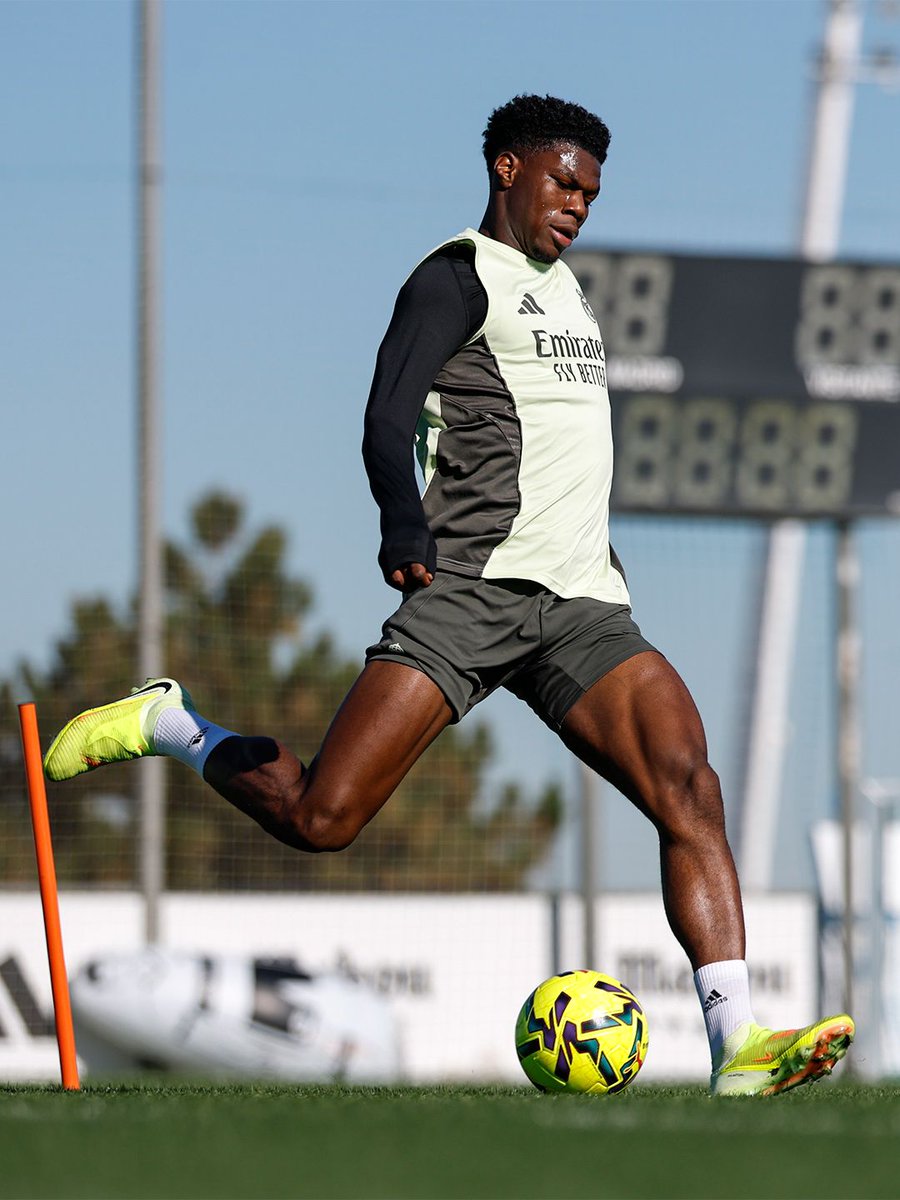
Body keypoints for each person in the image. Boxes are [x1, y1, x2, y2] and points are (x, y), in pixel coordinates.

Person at [44, 94, 853, 1096]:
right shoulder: (453, 279)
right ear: (507, 168)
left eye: (592, 195)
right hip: (470, 591)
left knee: (690, 787)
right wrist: (400, 523)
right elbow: (386, 420)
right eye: (564, 183)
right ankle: (175, 726)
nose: (577, 207)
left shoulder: (571, 292)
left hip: (585, 607)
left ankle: (739, 1045)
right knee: (320, 819)